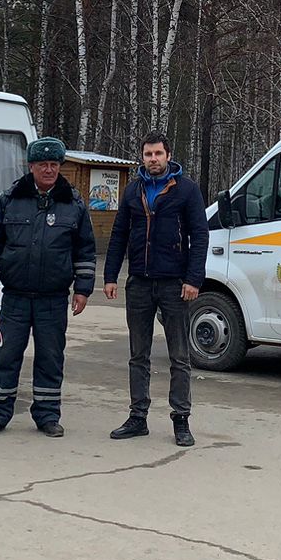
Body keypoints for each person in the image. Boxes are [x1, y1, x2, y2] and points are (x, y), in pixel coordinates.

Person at [0, 136, 96, 437]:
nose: (48, 170)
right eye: (42, 164)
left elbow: (84, 250)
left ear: (60, 167)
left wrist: (83, 289)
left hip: (53, 300)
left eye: (54, 164)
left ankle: (47, 415)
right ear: (31, 166)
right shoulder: (10, 199)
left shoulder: (73, 205)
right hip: (15, 297)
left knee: (50, 357)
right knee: (5, 356)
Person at [102, 131, 210, 447]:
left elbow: (200, 236)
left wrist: (194, 279)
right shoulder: (133, 191)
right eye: (148, 154)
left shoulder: (187, 190)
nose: (153, 160)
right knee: (138, 354)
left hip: (175, 283)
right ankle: (138, 417)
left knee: (179, 355)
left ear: (168, 155)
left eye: (158, 154)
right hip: (139, 282)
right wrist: (110, 275)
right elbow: (119, 233)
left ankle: (181, 419)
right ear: (142, 157)